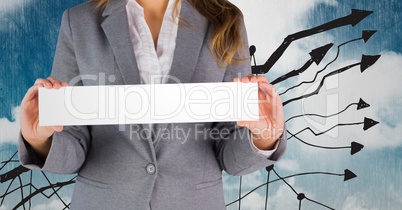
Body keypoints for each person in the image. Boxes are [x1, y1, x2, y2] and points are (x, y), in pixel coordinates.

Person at [19, 0, 287, 209]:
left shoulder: (226, 21)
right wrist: (39, 140)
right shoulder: (79, 22)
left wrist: (263, 137)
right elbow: (73, 141)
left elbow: (229, 149)